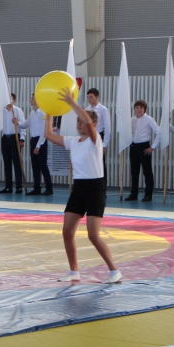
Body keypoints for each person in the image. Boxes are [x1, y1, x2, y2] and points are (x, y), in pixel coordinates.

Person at [44, 88, 122, 284]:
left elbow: (87, 120)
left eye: (82, 121)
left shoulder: (96, 141)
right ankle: (74, 271)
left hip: (95, 188)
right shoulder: (73, 142)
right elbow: (48, 134)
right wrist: (49, 112)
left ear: (93, 125)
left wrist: (71, 103)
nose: (79, 124)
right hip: (79, 188)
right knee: (67, 231)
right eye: (77, 121)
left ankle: (114, 270)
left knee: (93, 235)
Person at [15, 93, 52, 196]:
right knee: (35, 166)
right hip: (33, 140)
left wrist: (38, 146)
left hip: (41, 141)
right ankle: (37, 188)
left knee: (42, 165)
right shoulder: (32, 113)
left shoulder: (43, 113)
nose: (31, 100)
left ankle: (49, 188)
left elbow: (44, 131)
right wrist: (17, 123)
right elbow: (25, 124)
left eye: (33, 98)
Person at [126, 99, 160, 202]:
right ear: (134, 109)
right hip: (133, 147)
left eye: (141, 107)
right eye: (137, 107)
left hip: (144, 147)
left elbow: (159, 133)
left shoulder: (149, 119)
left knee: (147, 172)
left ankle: (148, 195)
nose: (139, 109)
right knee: (134, 172)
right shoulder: (132, 120)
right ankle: (133, 194)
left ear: (144, 109)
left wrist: (153, 147)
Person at [0, 93, 25, 194]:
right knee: (7, 164)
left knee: (17, 163)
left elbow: (23, 126)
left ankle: (19, 186)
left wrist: (22, 139)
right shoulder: (2, 111)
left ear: (14, 101)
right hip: (5, 138)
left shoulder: (17, 111)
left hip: (15, 138)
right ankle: (8, 187)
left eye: (10, 99)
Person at [85, 88, 111, 184]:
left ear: (97, 97)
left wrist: (104, 144)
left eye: (91, 97)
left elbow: (107, 128)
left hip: (98, 136)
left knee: (100, 164)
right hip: (88, 137)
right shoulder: (86, 109)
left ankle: (102, 188)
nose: (89, 99)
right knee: (89, 162)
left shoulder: (103, 109)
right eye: (88, 97)